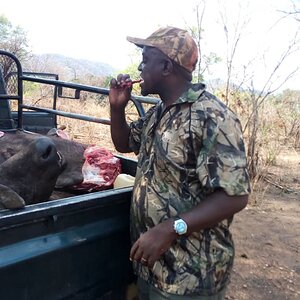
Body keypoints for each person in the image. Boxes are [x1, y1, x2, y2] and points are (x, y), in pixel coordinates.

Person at [108, 26, 250, 300]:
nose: (139, 66)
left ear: (165, 67)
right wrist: (116, 108)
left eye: (146, 59)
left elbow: (235, 196)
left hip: (191, 279)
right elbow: (124, 143)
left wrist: (170, 228)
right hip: (154, 268)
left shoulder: (213, 117)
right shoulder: (158, 113)